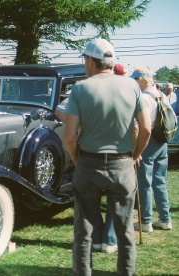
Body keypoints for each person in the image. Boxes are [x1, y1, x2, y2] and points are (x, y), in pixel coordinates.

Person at [64, 38, 151, 275]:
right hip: (122, 164)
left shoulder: (80, 89)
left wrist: (76, 159)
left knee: (84, 230)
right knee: (125, 231)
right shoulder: (131, 86)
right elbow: (145, 129)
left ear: (91, 61)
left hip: (88, 163)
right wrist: (134, 156)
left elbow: (70, 136)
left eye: (85, 60)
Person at [131, 69, 173, 232]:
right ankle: (165, 219)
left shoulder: (144, 98)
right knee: (159, 181)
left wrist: (137, 149)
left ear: (142, 79)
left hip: (149, 142)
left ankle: (146, 221)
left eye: (135, 79)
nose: (134, 82)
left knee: (144, 182)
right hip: (162, 142)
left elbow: (141, 126)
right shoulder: (161, 95)